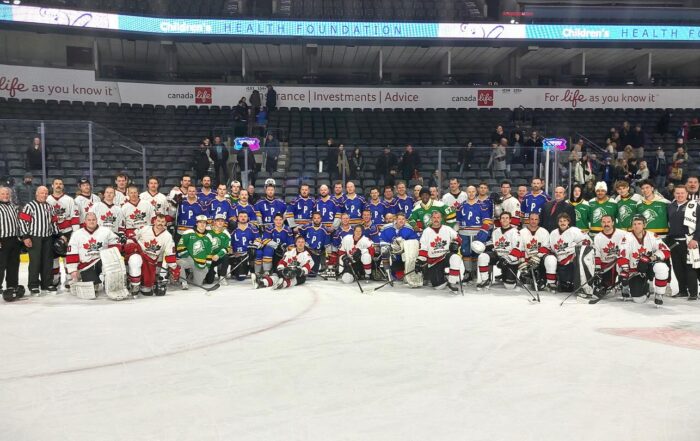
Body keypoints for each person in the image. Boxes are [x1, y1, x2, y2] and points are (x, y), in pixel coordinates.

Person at [618, 216, 670, 305]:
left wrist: (651, 258)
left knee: (662, 267)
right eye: (634, 224)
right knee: (639, 299)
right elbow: (622, 257)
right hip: (635, 270)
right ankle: (641, 287)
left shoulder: (652, 235)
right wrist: (625, 273)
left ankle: (659, 294)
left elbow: (666, 251)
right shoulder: (626, 238)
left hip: (649, 266)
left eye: (639, 224)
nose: (636, 226)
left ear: (644, 225)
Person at [124, 214, 179, 295]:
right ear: (154, 221)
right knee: (135, 259)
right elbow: (133, 238)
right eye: (158, 221)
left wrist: (174, 267)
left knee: (146, 291)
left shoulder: (167, 236)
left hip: (152, 263)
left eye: (163, 222)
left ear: (165, 223)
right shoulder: (145, 229)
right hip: (140, 255)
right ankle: (134, 285)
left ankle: (143, 285)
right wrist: (131, 244)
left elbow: (170, 254)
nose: (160, 223)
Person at [65, 212, 120, 291]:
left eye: (93, 220)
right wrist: (73, 270)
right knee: (93, 289)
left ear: (97, 220)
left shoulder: (105, 231)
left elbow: (116, 243)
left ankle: (109, 282)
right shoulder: (77, 234)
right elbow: (72, 253)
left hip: (102, 261)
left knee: (110, 268)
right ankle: (93, 282)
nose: (91, 222)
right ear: (85, 221)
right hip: (87, 265)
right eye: (89, 220)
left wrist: (113, 257)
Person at [20, 186, 58, 295]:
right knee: (35, 262)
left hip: (47, 237)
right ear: (37, 194)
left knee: (47, 262)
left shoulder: (50, 207)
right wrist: (25, 236)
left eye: (46, 193)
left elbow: (53, 222)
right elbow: (23, 222)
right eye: (42, 193)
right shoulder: (29, 206)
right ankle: (33, 285)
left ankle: (47, 284)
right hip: (34, 237)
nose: (44, 195)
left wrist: (58, 234)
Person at [415, 211, 464, 292]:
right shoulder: (426, 231)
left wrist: (455, 243)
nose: (436, 219)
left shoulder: (447, 229)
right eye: (434, 217)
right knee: (439, 286)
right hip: (434, 261)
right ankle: (444, 277)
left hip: (445, 256)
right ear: (431, 219)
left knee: (455, 257)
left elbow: (459, 239)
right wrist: (420, 261)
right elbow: (423, 248)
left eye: (438, 217)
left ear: (441, 219)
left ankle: (452, 283)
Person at [666, 185, 700, 300]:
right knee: (677, 267)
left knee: (690, 268)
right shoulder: (670, 206)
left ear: (687, 194)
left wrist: (696, 239)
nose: (680, 195)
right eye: (677, 193)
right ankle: (682, 290)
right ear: (674, 194)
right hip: (674, 242)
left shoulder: (694, 206)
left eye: (682, 193)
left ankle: (693, 292)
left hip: (689, 241)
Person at [474, 212, 522, 290]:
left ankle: (505, 275)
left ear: (510, 220)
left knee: (509, 286)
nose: (505, 220)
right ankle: (485, 280)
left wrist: (506, 259)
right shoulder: (496, 231)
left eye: (507, 218)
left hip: (510, 258)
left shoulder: (515, 232)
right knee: (483, 256)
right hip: (497, 255)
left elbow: (517, 249)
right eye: (502, 218)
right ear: (500, 220)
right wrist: (482, 247)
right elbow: (492, 244)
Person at [543, 213, 589, 293]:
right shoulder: (553, 233)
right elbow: (549, 247)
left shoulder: (575, 231)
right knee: (550, 259)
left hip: (571, 260)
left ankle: (582, 285)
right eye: (560, 221)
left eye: (565, 220)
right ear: (557, 223)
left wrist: (577, 253)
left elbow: (587, 242)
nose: (562, 223)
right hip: (559, 260)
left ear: (568, 222)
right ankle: (551, 283)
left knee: (569, 287)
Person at [46, 178, 79, 287]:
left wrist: (75, 233)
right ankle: (55, 278)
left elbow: (74, 217)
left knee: (67, 256)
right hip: (52, 233)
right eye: (56, 184)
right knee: (53, 257)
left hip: (67, 232)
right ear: (52, 186)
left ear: (63, 186)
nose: (58, 185)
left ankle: (69, 278)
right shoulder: (47, 199)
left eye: (60, 184)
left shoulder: (69, 200)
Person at [457, 186, 492, 282]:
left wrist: (483, 233)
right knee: (466, 253)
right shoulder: (461, 206)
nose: (471, 193)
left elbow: (487, 221)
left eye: (473, 192)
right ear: (466, 193)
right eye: (469, 192)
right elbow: (457, 221)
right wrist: (456, 232)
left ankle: (474, 271)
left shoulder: (482, 205)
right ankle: (467, 272)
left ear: (476, 192)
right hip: (464, 233)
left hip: (477, 233)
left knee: (476, 253)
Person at [378, 212, 421, 287]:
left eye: (403, 219)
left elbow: (414, 242)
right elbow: (382, 240)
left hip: (403, 253)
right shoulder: (386, 227)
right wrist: (389, 246)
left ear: (405, 220)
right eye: (399, 219)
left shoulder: (409, 228)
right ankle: (388, 274)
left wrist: (404, 245)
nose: (401, 221)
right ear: (395, 219)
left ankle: (407, 273)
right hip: (391, 252)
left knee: (410, 252)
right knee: (384, 250)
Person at [176, 215, 218, 288]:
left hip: (201, 263)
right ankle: (183, 282)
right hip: (189, 259)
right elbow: (180, 246)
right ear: (196, 223)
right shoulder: (188, 232)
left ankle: (191, 274)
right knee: (178, 264)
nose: (202, 224)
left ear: (206, 224)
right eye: (200, 222)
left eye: (204, 223)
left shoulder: (209, 236)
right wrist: (189, 257)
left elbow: (209, 253)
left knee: (197, 284)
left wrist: (207, 266)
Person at [592, 214, 627, 296]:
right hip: (606, 265)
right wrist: (597, 269)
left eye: (608, 222)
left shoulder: (623, 234)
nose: (606, 224)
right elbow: (597, 253)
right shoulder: (598, 237)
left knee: (625, 270)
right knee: (606, 288)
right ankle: (609, 286)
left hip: (620, 262)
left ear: (613, 223)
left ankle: (625, 285)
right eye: (603, 222)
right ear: (601, 223)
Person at [0, 186, 23, 301]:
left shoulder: (14, 207)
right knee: (1, 265)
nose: (5, 196)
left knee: (13, 265)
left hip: (14, 239)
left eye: (7, 194)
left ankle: (12, 286)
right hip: (2, 240)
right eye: (3, 194)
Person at [518, 212, 550, 290]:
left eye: (536, 219)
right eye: (532, 219)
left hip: (539, 259)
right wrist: (522, 261)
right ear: (528, 220)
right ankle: (527, 276)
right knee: (525, 282)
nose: (534, 221)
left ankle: (541, 278)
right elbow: (520, 248)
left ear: (539, 221)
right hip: (527, 260)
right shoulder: (521, 232)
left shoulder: (544, 232)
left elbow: (546, 247)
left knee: (539, 284)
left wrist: (537, 256)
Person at [229, 211, 259, 281]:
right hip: (237, 255)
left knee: (256, 252)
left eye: (245, 216)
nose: (243, 218)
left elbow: (258, 239)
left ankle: (252, 268)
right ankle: (236, 268)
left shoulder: (253, 227)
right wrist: (232, 251)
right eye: (241, 216)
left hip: (248, 254)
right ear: (237, 218)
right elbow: (228, 241)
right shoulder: (233, 228)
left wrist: (254, 246)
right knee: (240, 277)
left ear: (248, 218)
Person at [207, 213, 232, 285]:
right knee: (209, 281)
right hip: (208, 258)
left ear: (224, 223)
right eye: (218, 221)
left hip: (218, 257)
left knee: (226, 257)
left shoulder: (226, 234)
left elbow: (227, 248)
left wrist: (218, 255)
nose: (220, 222)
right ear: (214, 222)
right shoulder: (208, 231)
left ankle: (222, 277)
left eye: (222, 221)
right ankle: (211, 272)